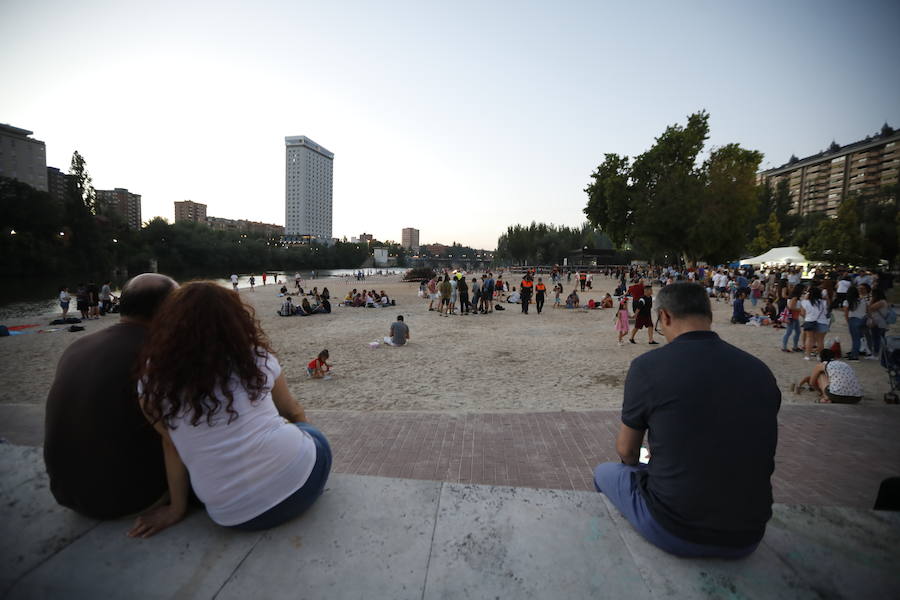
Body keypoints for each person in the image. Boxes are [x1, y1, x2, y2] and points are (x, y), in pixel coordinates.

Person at [127, 282, 330, 538]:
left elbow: (172, 446)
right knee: (312, 434)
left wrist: (176, 509)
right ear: (235, 320)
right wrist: (306, 434)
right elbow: (292, 411)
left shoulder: (151, 382)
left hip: (231, 515)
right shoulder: (255, 357)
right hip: (302, 486)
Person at [593, 282, 780, 558]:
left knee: (604, 473)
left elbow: (627, 451)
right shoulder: (760, 370)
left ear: (665, 316)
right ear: (710, 315)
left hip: (675, 528)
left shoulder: (648, 366)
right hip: (748, 534)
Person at [44, 273, 178, 519]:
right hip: (129, 497)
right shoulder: (160, 355)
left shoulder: (78, 346)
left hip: (66, 492)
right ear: (169, 311)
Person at [793, 349, 862, 404]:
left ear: (821, 358)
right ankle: (830, 396)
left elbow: (812, 382)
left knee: (820, 375)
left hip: (836, 395)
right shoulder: (844, 364)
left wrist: (819, 391)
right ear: (834, 357)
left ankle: (826, 397)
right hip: (856, 398)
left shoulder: (822, 365)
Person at [800, 285, 829, 361]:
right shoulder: (823, 302)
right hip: (822, 321)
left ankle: (807, 356)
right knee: (820, 340)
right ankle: (819, 356)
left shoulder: (805, 302)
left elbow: (802, 313)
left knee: (809, 339)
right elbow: (826, 312)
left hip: (810, 321)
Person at [843, 285, 867, 360]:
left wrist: (848, 321)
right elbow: (866, 310)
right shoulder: (862, 300)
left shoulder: (847, 302)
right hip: (862, 319)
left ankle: (854, 355)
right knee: (859, 338)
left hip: (853, 320)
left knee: (855, 339)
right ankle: (854, 352)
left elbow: (846, 313)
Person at [780, 284, 804, 353]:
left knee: (797, 332)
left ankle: (794, 347)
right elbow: (791, 307)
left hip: (793, 316)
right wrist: (800, 309)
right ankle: (785, 347)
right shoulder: (795, 298)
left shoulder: (792, 296)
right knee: (789, 332)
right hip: (792, 317)